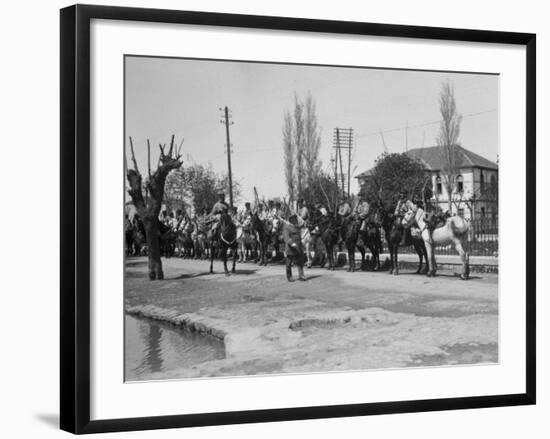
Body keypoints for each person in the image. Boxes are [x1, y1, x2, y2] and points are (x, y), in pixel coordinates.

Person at [278, 213, 306, 281]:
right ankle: (289, 276)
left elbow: (302, 226)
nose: (295, 220)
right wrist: (291, 243)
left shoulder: (297, 227)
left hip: (298, 247)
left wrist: (302, 243)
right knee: (289, 263)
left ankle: (301, 275)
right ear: (290, 220)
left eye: (295, 219)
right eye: (293, 219)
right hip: (291, 248)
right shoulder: (287, 227)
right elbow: (286, 237)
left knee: (300, 262)